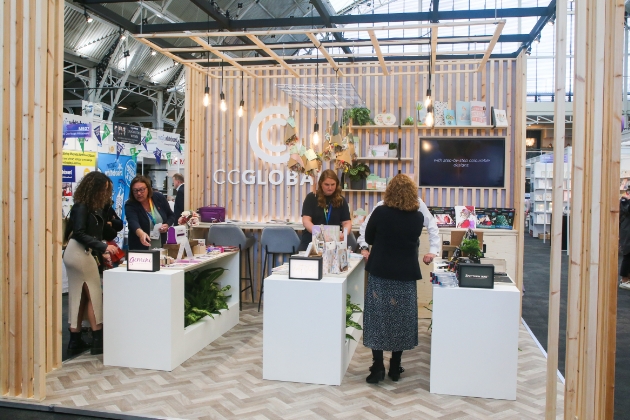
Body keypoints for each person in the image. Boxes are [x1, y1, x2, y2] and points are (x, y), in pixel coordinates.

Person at [362, 174, 426, 384]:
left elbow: (369, 238)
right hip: (405, 275)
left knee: (377, 318)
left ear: (389, 191)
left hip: (380, 272)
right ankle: (396, 367)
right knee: (401, 320)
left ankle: (377, 365)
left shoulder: (381, 212)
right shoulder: (417, 217)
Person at [63, 172, 120, 356]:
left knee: (79, 296)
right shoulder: (82, 206)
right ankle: (97, 339)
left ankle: (75, 340)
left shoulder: (94, 208)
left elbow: (107, 231)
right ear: (95, 188)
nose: (107, 194)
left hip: (81, 252)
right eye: (105, 190)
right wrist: (103, 247)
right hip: (79, 253)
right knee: (93, 293)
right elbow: (79, 233)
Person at [357, 196, 439, 264]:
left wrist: (433, 250)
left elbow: (431, 225)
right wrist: (364, 247)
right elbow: (366, 225)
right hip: (383, 257)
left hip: (407, 258)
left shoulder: (418, 203)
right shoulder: (382, 205)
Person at [299, 169, 352, 251]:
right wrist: (320, 234)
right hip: (311, 242)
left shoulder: (341, 200)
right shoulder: (311, 198)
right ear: (320, 184)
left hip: (333, 244)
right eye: (326, 184)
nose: (330, 188)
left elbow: (347, 222)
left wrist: (344, 233)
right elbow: (306, 221)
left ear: (337, 184)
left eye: (333, 184)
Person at [125, 175, 176, 250]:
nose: (139, 193)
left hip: (161, 245)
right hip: (140, 247)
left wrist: (167, 224)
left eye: (142, 190)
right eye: (135, 190)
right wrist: (141, 233)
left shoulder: (159, 197)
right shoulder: (130, 204)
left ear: (148, 189)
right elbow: (133, 221)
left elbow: (171, 215)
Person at [620, 187, 630, 289]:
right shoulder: (624, 201)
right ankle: (624, 279)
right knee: (627, 254)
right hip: (627, 232)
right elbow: (627, 210)